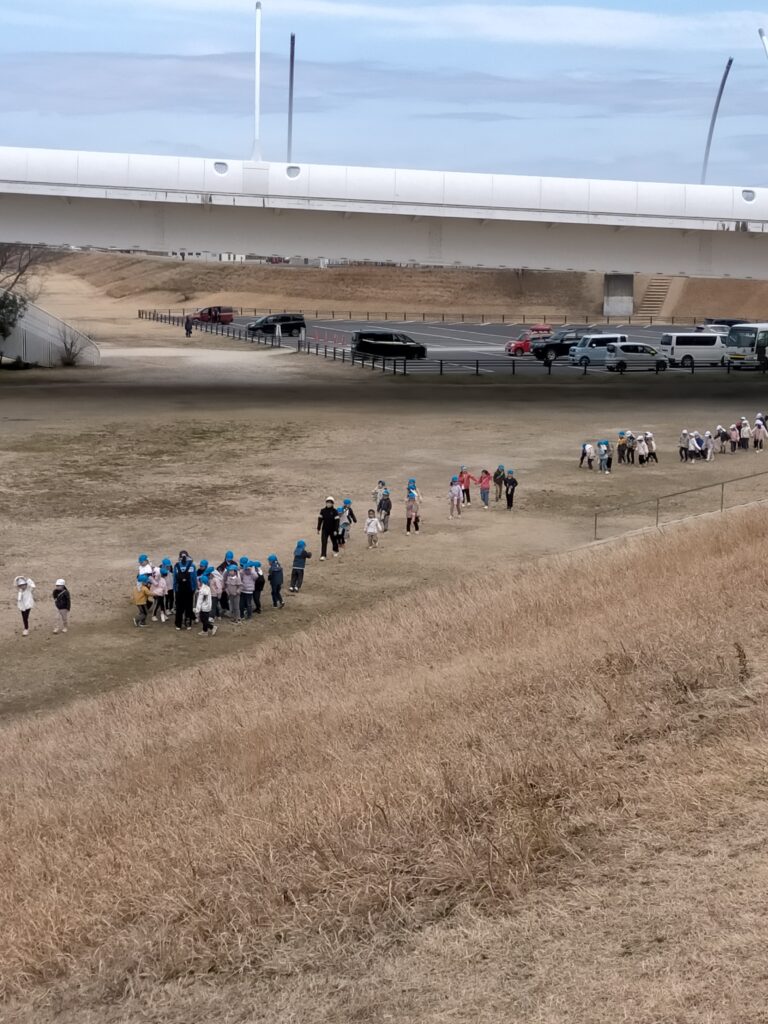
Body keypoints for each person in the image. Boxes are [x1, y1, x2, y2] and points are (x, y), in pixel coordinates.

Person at [173, 550, 197, 631]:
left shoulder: (176, 566)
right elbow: (194, 578)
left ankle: (178, 624)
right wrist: (194, 589)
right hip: (189, 589)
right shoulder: (192, 565)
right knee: (188, 607)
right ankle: (188, 624)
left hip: (179, 589)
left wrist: (175, 589)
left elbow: (175, 579)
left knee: (179, 607)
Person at [238, 556, 256, 620]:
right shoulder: (252, 571)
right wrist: (252, 569)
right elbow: (256, 577)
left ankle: (242, 615)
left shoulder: (242, 571)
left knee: (242, 603)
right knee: (248, 604)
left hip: (243, 589)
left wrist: (242, 570)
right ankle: (249, 616)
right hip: (249, 590)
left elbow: (239, 578)